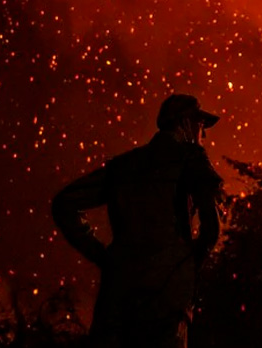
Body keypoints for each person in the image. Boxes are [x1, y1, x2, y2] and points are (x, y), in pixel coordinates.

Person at [52, 93, 223, 348]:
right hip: (167, 301)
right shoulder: (191, 159)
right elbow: (211, 229)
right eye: (201, 125)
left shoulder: (124, 166)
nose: (204, 135)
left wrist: (103, 256)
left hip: (120, 294)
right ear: (186, 123)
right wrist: (186, 265)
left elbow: (64, 203)